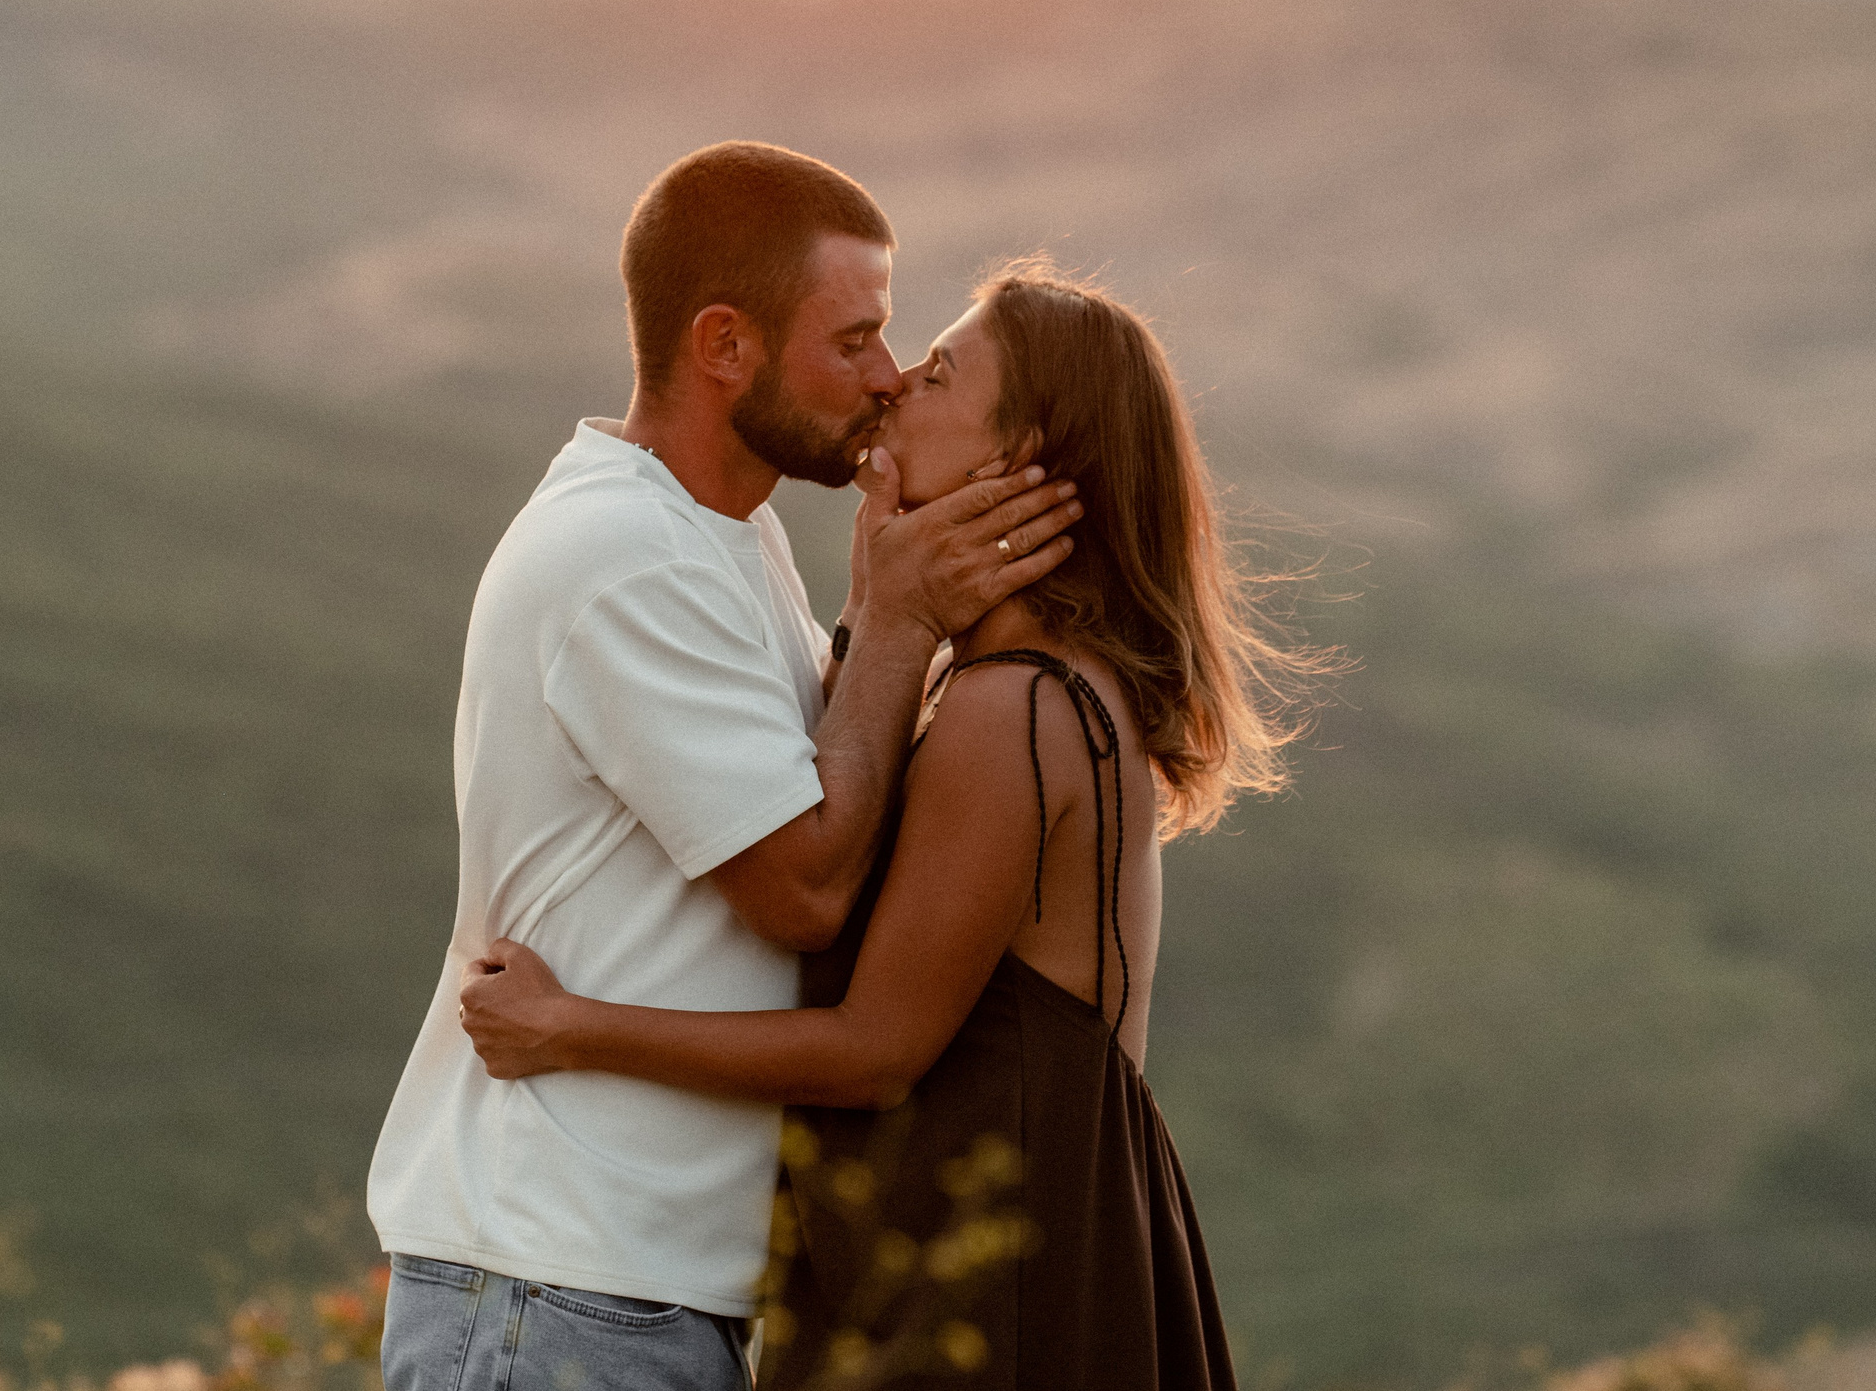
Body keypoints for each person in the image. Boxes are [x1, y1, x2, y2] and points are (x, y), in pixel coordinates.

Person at [460, 259, 1323, 1390]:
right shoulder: (1039, 686)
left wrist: (568, 1026)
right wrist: (880, 611)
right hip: (1005, 1249)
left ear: (1016, 457)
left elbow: (873, 1052)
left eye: (941, 373)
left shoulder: (1010, 709)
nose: (896, 383)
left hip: (983, 1289)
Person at [367, 144, 1087, 1391]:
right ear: (723, 344)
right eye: (852, 340)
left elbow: (829, 792)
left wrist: (877, 604)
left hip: (624, 1285)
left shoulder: (725, 535)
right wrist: (899, 619)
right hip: (555, 1283)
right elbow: (804, 885)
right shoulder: (624, 552)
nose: (887, 373)